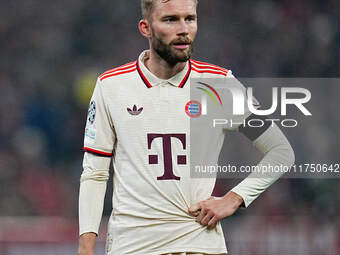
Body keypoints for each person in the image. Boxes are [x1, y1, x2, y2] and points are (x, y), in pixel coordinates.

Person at [78, 0, 295, 254]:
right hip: (134, 247)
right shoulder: (111, 86)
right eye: (170, 20)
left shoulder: (220, 85)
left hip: (200, 245)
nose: (183, 29)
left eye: (189, 19)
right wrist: (86, 248)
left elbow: (281, 152)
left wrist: (235, 198)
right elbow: (95, 173)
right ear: (146, 28)